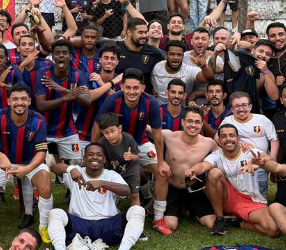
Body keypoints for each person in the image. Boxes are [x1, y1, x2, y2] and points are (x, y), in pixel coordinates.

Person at [92, 69, 171, 233]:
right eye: (128, 87)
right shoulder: (112, 100)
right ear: (121, 87)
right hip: (113, 144)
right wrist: (94, 152)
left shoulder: (151, 102)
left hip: (140, 144)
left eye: (136, 88)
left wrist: (162, 162)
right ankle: (103, 214)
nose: (132, 92)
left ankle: (158, 218)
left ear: (143, 88)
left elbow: (157, 133)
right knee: (100, 175)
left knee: (163, 173)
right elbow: (97, 125)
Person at [47, 142, 146, 250]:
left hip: (108, 225)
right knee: (55, 212)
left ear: (104, 159)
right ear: (84, 158)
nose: (95, 157)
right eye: (90, 154)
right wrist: (70, 169)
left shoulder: (110, 175)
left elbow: (126, 191)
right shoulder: (77, 172)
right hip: (80, 225)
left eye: (99, 155)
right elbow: (53, 167)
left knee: (137, 210)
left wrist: (102, 183)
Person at [0, 84, 52, 241]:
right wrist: (1, 157)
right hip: (6, 162)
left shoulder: (38, 120)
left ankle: (44, 227)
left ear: (30, 101)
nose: (20, 103)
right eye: (15, 99)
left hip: (31, 162)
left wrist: (28, 168)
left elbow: (41, 152)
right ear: (9, 101)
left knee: (45, 186)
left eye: (24, 99)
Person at [190, 123, 281, 237]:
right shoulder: (216, 155)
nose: (228, 139)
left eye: (232, 135)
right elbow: (203, 165)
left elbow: (267, 157)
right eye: (224, 136)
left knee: (273, 230)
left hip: (250, 199)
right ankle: (220, 219)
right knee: (214, 173)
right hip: (228, 197)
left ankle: (238, 223)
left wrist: (261, 162)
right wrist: (193, 170)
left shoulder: (248, 151)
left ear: (238, 138)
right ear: (219, 139)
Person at [157, 106, 219, 234]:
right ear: (182, 122)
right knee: (171, 225)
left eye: (197, 122)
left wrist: (245, 147)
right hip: (172, 188)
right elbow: (147, 130)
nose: (193, 125)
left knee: (211, 223)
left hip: (193, 189)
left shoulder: (209, 143)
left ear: (202, 124)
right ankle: (180, 208)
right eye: (189, 121)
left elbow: (224, 155)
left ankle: (192, 210)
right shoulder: (169, 136)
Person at [34, 40, 90, 169]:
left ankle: (71, 189)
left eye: (65, 53)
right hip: (44, 130)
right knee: (42, 165)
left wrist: (63, 90)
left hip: (67, 129)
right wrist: (65, 98)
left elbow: (87, 101)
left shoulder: (78, 75)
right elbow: (41, 106)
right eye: (57, 53)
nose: (61, 56)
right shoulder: (43, 74)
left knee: (77, 166)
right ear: (52, 56)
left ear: (70, 56)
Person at [222, 91, 278, 198]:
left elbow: (274, 140)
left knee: (261, 196)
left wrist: (273, 161)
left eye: (244, 105)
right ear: (231, 109)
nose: (241, 109)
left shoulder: (262, 120)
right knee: (240, 195)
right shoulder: (227, 122)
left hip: (260, 163)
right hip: (238, 166)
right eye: (237, 106)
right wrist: (238, 145)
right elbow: (218, 139)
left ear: (250, 106)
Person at [98, 112, 142, 206]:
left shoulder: (128, 139)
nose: (110, 135)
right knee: (108, 194)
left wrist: (131, 156)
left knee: (134, 195)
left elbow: (137, 157)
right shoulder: (102, 143)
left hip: (131, 170)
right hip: (112, 171)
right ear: (102, 132)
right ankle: (110, 212)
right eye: (106, 132)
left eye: (112, 131)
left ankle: (135, 217)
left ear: (120, 128)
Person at [152, 39, 214, 105]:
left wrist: (203, 66)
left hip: (182, 112)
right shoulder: (157, 68)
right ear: (166, 56)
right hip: (160, 111)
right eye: (172, 54)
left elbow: (209, 78)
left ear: (183, 56)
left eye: (179, 55)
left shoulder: (188, 70)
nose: (175, 58)